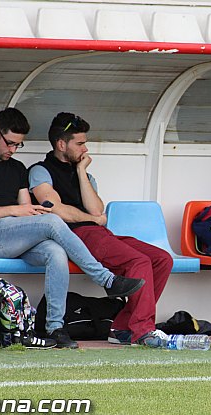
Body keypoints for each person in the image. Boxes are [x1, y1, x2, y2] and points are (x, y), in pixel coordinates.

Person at [0, 108, 145, 349]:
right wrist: (14, 210)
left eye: (18, 145)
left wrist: (30, 211)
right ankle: (106, 279)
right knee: (53, 219)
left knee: (56, 252)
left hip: (17, 236)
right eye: (10, 143)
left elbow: (26, 211)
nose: (12, 150)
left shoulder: (17, 168)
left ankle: (55, 327)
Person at [28, 112, 173, 348]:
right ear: (61, 144)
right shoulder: (40, 171)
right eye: (80, 143)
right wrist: (93, 220)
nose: (85, 149)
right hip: (74, 235)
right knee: (139, 262)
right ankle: (143, 330)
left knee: (161, 259)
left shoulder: (85, 174)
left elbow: (97, 211)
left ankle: (121, 327)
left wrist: (81, 172)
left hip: (99, 233)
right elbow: (56, 210)